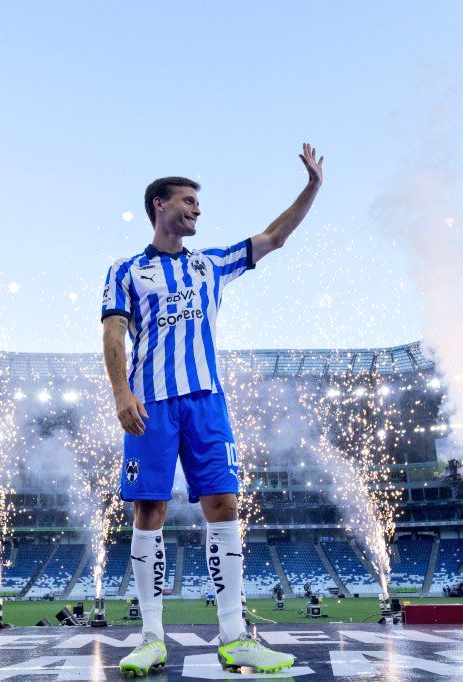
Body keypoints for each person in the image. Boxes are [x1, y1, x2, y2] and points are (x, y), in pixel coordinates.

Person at [102, 144, 323, 675]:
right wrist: (120, 393)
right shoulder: (126, 270)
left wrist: (312, 187)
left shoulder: (211, 263)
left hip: (206, 401)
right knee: (148, 510)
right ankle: (151, 636)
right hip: (150, 403)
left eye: (198, 203)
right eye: (187, 201)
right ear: (159, 205)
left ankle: (233, 636)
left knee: (224, 506)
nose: (197, 209)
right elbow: (113, 333)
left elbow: (275, 237)